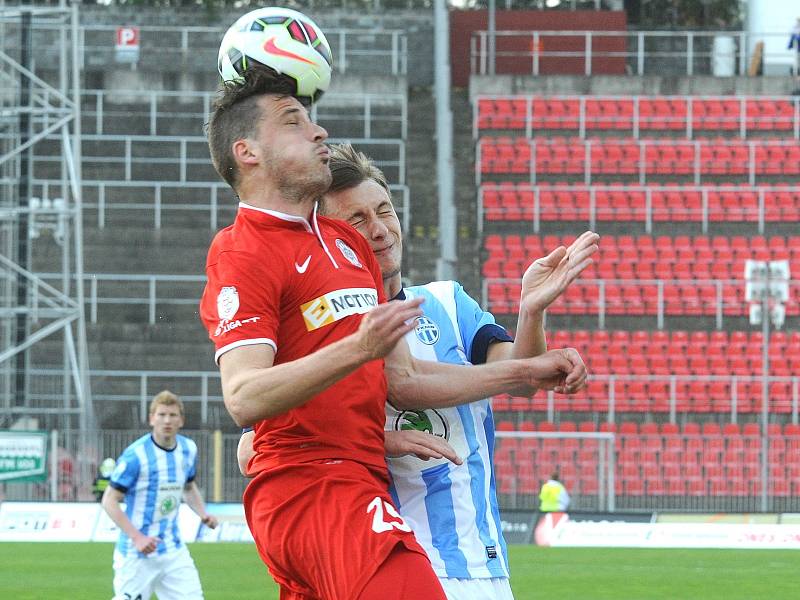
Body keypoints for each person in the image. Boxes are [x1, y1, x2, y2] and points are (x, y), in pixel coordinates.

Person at [200, 65, 588, 600]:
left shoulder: (356, 256)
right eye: (294, 121)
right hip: (323, 490)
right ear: (248, 151)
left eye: (385, 210)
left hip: (372, 490)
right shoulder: (243, 249)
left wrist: (528, 346)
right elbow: (245, 399)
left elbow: (399, 377)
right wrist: (357, 350)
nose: (317, 132)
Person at [101, 390, 219, 600]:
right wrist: (137, 537)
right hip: (136, 554)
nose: (167, 420)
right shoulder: (135, 456)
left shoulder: (188, 449)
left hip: (173, 550)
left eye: (173, 415)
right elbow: (109, 500)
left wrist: (203, 514)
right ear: (151, 419)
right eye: (161, 414)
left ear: (181, 420)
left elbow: (189, 488)